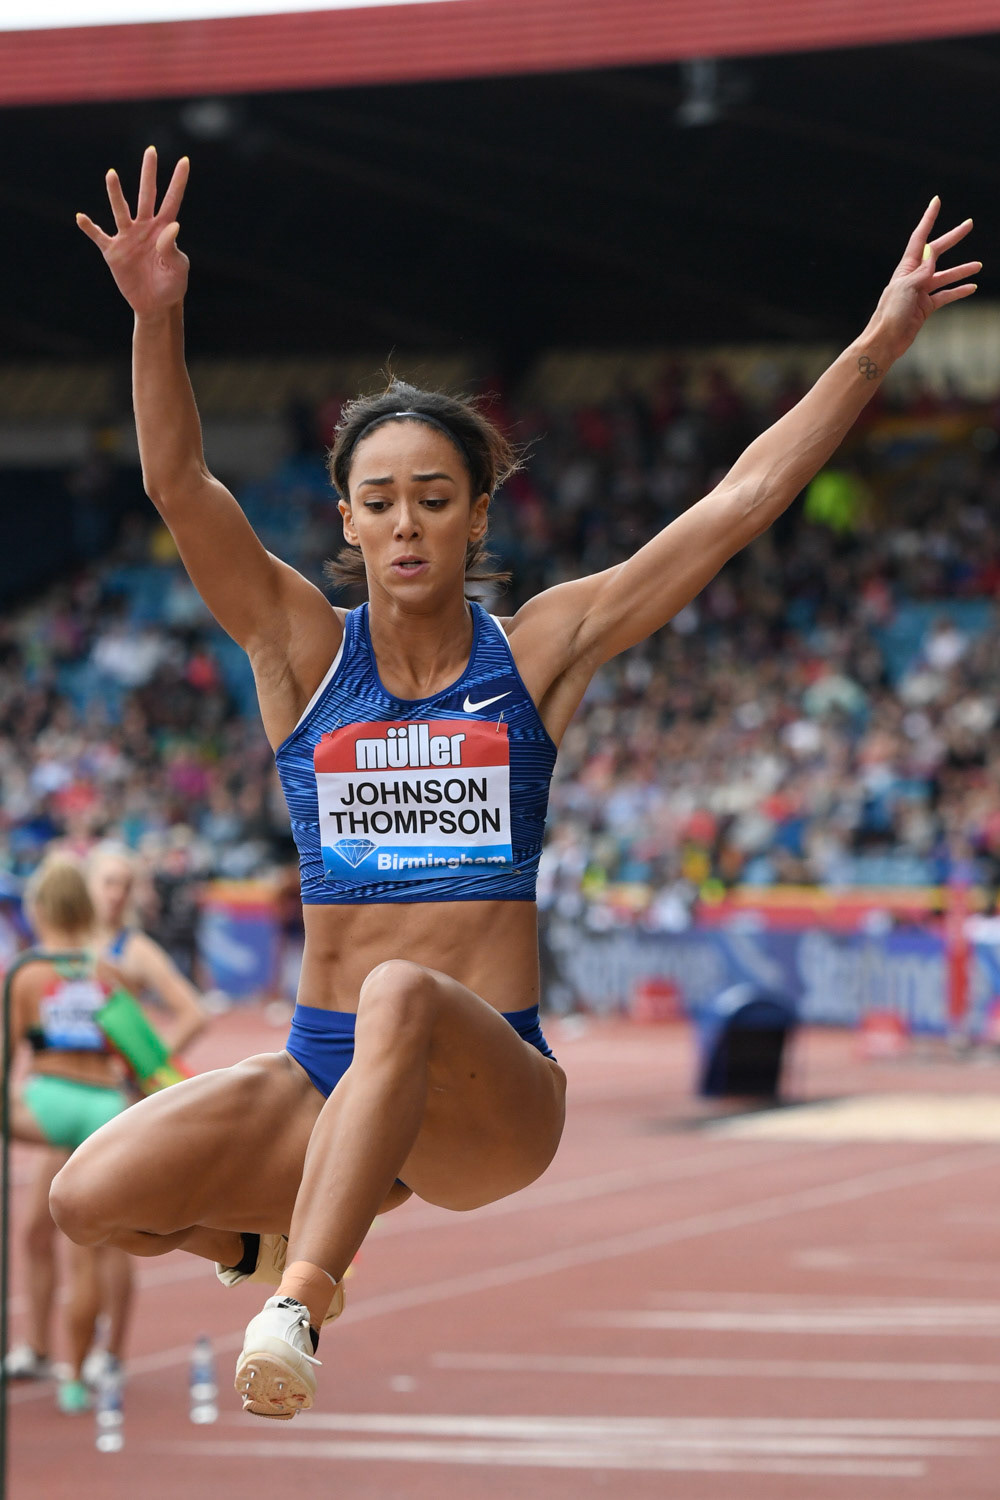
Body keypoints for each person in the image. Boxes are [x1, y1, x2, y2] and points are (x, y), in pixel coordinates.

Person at [57, 147, 978, 1420]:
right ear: (345, 522)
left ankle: (304, 1296)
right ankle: (267, 1240)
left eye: (435, 498)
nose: (407, 524)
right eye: (379, 502)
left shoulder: (537, 652)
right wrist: (156, 316)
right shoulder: (299, 654)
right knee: (87, 1198)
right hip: (327, 1070)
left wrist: (877, 344)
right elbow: (178, 486)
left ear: (478, 515)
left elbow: (742, 499)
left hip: (493, 1091)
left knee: (400, 992)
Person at [6, 842, 208, 1388]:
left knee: (107, 1236)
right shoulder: (65, 952)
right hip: (75, 1101)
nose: (115, 892)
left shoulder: (130, 953)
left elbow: (183, 1017)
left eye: (124, 882)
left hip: (102, 1100)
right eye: (106, 881)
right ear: (85, 889)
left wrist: (145, 1074)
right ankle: (39, 1349)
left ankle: (108, 1353)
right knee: (35, 1231)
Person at [3, 855, 137, 1414]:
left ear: (38, 909)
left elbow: (10, 1060)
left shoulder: (27, 973)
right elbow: (144, 1056)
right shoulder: (106, 972)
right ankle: (76, 1379)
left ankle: (49, 1356)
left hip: (48, 1101)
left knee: (48, 1227)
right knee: (87, 1252)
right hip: (103, 1107)